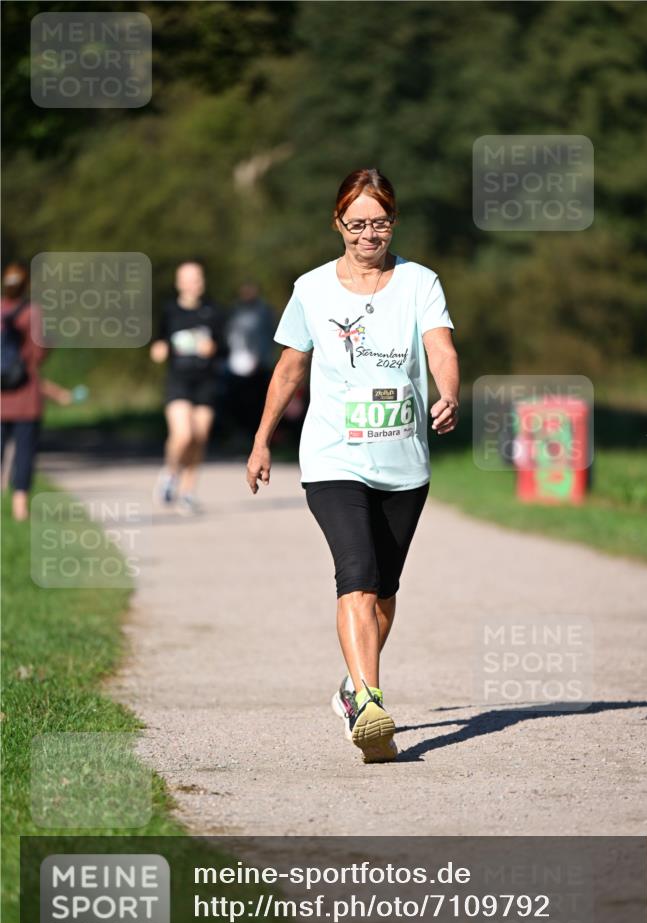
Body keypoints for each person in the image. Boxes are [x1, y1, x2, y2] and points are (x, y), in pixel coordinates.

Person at [246, 168, 459, 763]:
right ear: (337, 223)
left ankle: (350, 686)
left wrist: (448, 392)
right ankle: (369, 705)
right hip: (333, 457)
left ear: (394, 221)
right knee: (357, 575)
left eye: (381, 222)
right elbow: (290, 368)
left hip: (403, 460)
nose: (370, 234)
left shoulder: (419, 282)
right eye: (358, 223)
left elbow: (440, 346)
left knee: (384, 592)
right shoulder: (312, 288)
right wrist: (262, 439)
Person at [150, 260, 226, 515]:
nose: (193, 284)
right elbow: (158, 341)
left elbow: (224, 348)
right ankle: (170, 473)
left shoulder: (213, 312)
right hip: (178, 380)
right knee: (183, 434)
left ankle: (187, 493)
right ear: (179, 283)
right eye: (188, 279)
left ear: (202, 282)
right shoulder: (169, 311)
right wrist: (159, 349)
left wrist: (214, 349)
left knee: (199, 437)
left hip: (205, 382)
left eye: (197, 279)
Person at [1, 262, 49, 521]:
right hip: (26, 395)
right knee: (24, 452)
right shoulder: (33, 312)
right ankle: (20, 508)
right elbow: (39, 353)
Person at [220, 282, 276, 449]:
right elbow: (228, 335)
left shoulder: (264, 312)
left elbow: (269, 336)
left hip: (259, 366)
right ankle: (239, 435)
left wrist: (262, 358)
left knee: (257, 403)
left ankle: (258, 438)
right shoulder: (234, 311)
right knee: (236, 403)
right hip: (236, 365)